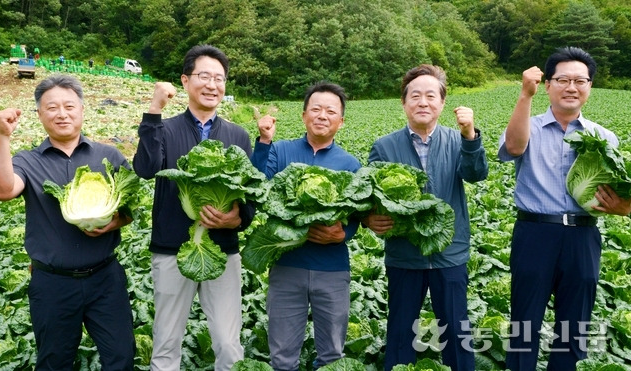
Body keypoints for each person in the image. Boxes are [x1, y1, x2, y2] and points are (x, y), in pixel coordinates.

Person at [499, 46, 631, 370]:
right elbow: (513, 147)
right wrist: (524, 96)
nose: (572, 87)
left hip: (583, 237)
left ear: (589, 87)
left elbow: (618, 192)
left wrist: (622, 208)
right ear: (548, 85)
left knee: (575, 327)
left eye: (580, 81)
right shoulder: (527, 126)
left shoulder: (604, 137)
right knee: (524, 324)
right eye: (563, 79)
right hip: (535, 232)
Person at [0, 74, 136, 370]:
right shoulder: (27, 160)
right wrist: (3, 136)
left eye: (69, 106)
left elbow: (132, 207)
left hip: (105, 279)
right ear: (40, 114)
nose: (62, 114)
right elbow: (2, 190)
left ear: (82, 110)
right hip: (52, 283)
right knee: (54, 362)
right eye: (52, 107)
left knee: (120, 357)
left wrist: (116, 221)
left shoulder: (109, 155)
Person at [133, 44, 253, 371]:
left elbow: (251, 193)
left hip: (223, 250)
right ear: (185, 81)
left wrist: (236, 218)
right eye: (204, 76)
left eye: (219, 78)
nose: (212, 84)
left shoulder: (238, 136)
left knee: (229, 344)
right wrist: (154, 111)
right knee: (167, 341)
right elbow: (145, 168)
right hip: (172, 248)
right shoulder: (165, 128)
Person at [362, 64, 488, 371]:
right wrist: (368, 218)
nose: (423, 102)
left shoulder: (457, 140)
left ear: (442, 103)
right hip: (405, 255)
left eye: (431, 96)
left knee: (457, 331)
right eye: (415, 95)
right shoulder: (384, 146)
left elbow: (476, 174)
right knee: (402, 331)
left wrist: (470, 136)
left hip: (450, 254)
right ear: (403, 103)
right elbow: (369, 195)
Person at [251, 82, 360, 371]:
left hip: (333, 269)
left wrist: (342, 233)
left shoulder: (351, 165)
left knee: (332, 355)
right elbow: (257, 186)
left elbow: (357, 215)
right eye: (316, 109)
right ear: (303, 116)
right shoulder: (281, 151)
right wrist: (263, 142)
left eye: (330, 111)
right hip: (287, 264)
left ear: (341, 121)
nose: (322, 115)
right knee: (283, 356)